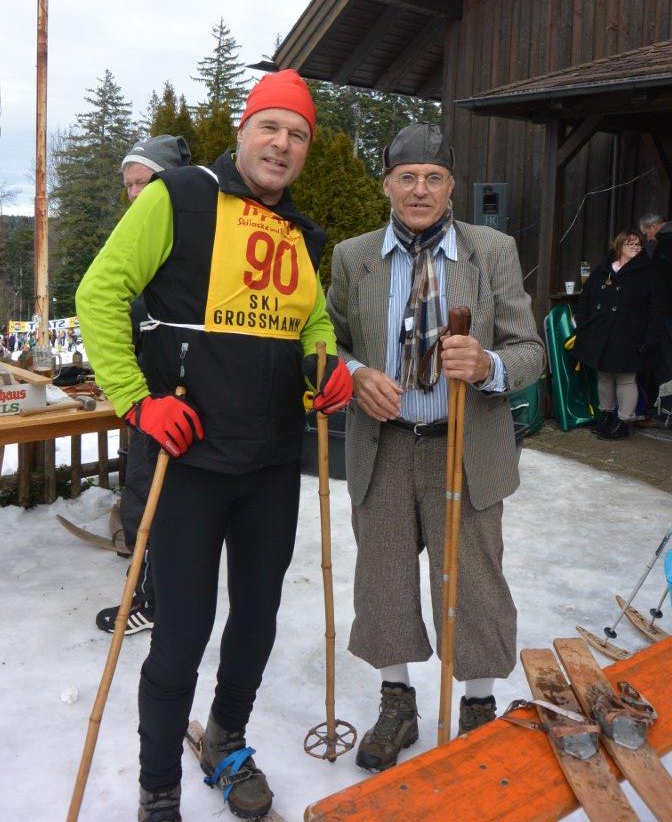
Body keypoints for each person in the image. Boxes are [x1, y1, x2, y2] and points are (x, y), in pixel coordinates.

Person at [76, 70, 352, 822]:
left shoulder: (300, 233)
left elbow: (312, 323)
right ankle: (158, 785)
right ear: (243, 131)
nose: (282, 145)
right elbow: (99, 292)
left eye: (297, 135)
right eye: (271, 127)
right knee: (182, 634)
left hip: (271, 465)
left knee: (256, 620)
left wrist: (325, 368)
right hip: (187, 463)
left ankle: (226, 738)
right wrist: (138, 400)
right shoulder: (181, 196)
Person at [326, 123, 544, 771]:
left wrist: (487, 364)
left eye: (434, 177)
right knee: (384, 579)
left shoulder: (491, 251)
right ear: (387, 185)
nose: (420, 189)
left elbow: (530, 350)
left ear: (452, 187)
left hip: (466, 446)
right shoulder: (354, 257)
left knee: (474, 582)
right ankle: (397, 701)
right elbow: (326, 342)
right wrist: (353, 374)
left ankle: (477, 704)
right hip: (386, 444)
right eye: (407, 177)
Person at [96, 134, 192, 637]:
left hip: (175, 400)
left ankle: (153, 602)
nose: (135, 193)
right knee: (142, 500)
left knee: (159, 506)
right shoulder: (141, 240)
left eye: (144, 182)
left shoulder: (185, 240)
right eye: (129, 185)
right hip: (148, 397)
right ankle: (152, 594)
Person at [572, 230, 666, 439]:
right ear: (619, 245)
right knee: (604, 376)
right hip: (601, 332)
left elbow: (657, 308)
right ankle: (606, 415)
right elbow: (586, 297)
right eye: (630, 243)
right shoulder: (603, 268)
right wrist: (583, 323)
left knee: (625, 378)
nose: (635, 247)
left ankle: (623, 422)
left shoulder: (648, 272)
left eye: (638, 244)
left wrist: (650, 338)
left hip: (630, 336)